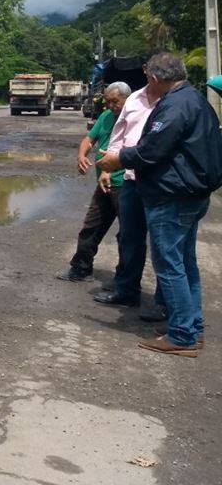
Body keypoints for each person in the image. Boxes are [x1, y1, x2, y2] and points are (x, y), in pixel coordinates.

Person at [99, 52, 222, 357]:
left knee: (170, 267)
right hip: (190, 194)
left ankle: (182, 335)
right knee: (185, 264)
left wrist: (118, 159)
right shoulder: (194, 100)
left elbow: (151, 150)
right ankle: (191, 327)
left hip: (172, 196)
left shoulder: (175, 106)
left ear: (153, 77)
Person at [93, 70, 164, 315]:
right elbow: (118, 136)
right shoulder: (135, 100)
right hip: (130, 180)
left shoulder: (170, 103)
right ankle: (127, 291)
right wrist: (107, 170)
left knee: (163, 245)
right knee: (130, 239)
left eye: (115, 101)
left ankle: (164, 302)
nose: (111, 106)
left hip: (157, 182)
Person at [56, 82, 128, 282]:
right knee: (91, 226)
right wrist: (81, 155)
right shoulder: (106, 117)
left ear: (127, 99)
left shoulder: (133, 118)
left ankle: (125, 282)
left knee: (128, 235)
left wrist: (110, 168)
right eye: (108, 102)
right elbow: (89, 139)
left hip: (124, 184)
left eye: (115, 101)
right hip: (104, 183)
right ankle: (80, 268)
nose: (111, 106)